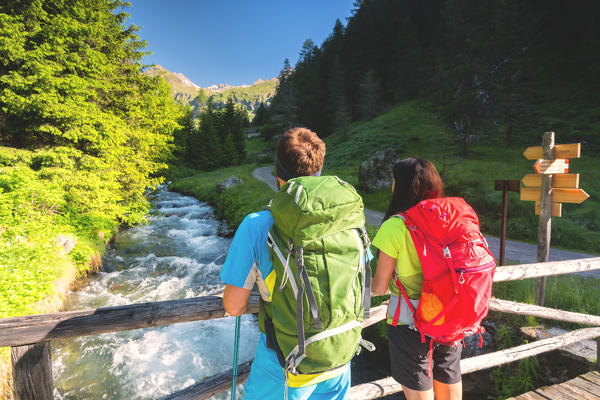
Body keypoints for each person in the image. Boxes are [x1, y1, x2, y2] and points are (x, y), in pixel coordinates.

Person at [220, 127, 351, 400]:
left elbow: (233, 306)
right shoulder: (345, 218)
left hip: (286, 363)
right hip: (340, 356)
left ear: (277, 173)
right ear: (320, 169)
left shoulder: (257, 225)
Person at [371, 158, 463, 400]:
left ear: (400, 187)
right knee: (449, 383)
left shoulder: (395, 226)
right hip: (451, 314)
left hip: (410, 322)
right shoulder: (448, 218)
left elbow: (379, 287)